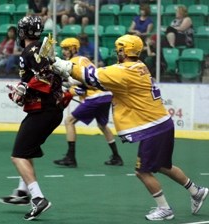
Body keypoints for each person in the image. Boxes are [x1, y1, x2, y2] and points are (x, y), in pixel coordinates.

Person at [53, 34, 209, 221]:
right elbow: (103, 82)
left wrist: (60, 64)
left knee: (142, 171)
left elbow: (92, 76)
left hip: (154, 127)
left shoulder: (125, 71)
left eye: (119, 48)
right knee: (163, 166)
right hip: (163, 123)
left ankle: (165, 209)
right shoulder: (139, 66)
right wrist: (70, 80)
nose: (116, 51)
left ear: (125, 50)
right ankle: (196, 191)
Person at [0, 15, 72, 221]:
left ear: (23, 32)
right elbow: (46, 77)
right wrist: (23, 90)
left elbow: (44, 77)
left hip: (44, 111)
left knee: (18, 155)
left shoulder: (30, 50)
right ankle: (23, 192)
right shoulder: (41, 48)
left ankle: (38, 198)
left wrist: (23, 89)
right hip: (50, 110)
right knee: (26, 151)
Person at [53, 37, 123, 167]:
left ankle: (70, 157)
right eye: (63, 49)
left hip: (95, 97)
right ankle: (116, 156)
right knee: (102, 126)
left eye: (67, 49)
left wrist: (68, 87)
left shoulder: (73, 62)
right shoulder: (84, 59)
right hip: (106, 95)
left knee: (69, 121)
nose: (64, 52)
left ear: (74, 49)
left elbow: (78, 84)